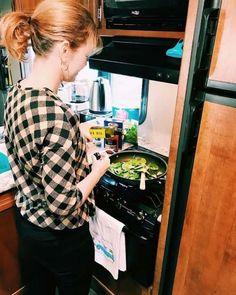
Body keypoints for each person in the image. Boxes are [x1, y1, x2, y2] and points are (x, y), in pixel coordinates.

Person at [0, 1, 110, 294]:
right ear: (64, 50)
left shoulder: (18, 92)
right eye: (84, 55)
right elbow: (63, 202)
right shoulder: (57, 115)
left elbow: (35, 143)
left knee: (40, 289)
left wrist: (76, 132)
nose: (85, 63)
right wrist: (99, 169)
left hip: (29, 227)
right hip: (63, 238)